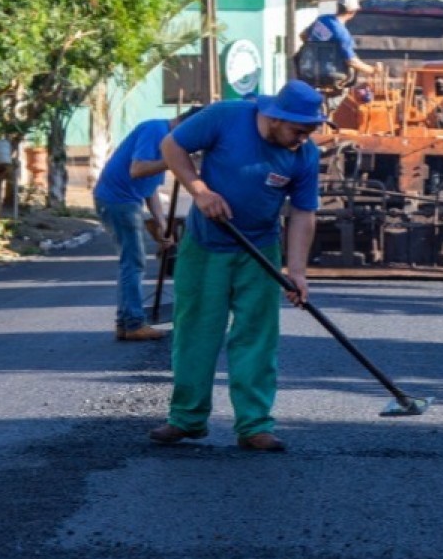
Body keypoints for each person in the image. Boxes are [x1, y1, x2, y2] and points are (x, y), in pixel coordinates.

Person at [150, 80, 326, 453]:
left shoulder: (304, 155)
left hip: (259, 250)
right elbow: (171, 146)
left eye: (310, 132)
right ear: (276, 118)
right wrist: (201, 192)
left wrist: (296, 272)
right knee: (197, 331)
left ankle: (254, 425)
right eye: (298, 130)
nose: (303, 139)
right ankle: (186, 418)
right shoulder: (226, 116)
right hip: (206, 245)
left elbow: (303, 212)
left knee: (256, 337)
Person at [95, 107, 201, 342]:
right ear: (187, 126)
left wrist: (163, 225)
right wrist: (173, 160)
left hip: (126, 200)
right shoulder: (155, 130)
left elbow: (150, 190)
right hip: (117, 200)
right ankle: (133, 323)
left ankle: (126, 322)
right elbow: (138, 169)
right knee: (133, 262)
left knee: (131, 261)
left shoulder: (165, 138)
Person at [301, 0, 379, 86]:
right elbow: (351, 61)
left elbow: (303, 35)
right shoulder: (342, 33)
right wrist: (371, 70)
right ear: (352, 12)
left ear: (338, 7)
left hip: (308, 71)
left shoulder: (321, 20)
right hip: (332, 75)